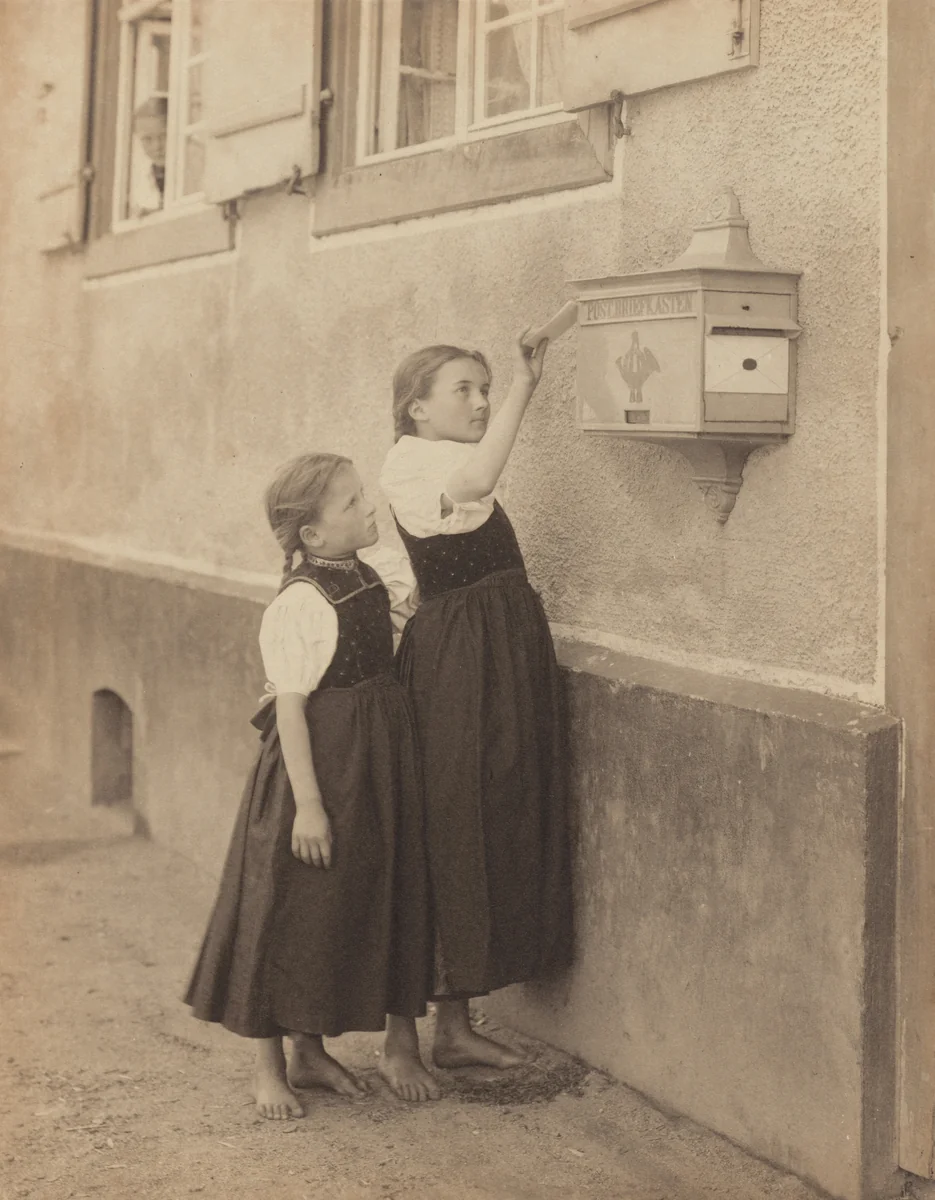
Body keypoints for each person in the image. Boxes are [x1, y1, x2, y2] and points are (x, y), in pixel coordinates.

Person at [185, 453, 433, 1118]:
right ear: (313, 537)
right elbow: (290, 707)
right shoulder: (299, 601)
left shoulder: (363, 573)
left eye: (361, 498)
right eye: (351, 505)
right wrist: (311, 809)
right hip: (315, 772)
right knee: (287, 907)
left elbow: (378, 639)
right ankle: (269, 1065)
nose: (368, 509)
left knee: (355, 899)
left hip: (374, 761)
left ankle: (312, 1050)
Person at [378, 332, 572, 1076]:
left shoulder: (438, 458)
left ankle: (454, 1028)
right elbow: (477, 478)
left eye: (485, 388)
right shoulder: (409, 464)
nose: (480, 401)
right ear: (416, 408)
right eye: (464, 389)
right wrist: (525, 389)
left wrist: (519, 382)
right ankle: (407, 1034)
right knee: (449, 824)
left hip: (499, 655)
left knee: (488, 820)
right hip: (462, 664)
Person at [131, 97, 167, 215]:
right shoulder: (141, 174)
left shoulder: (195, 161)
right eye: (147, 139)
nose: (157, 146)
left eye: (163, 136)